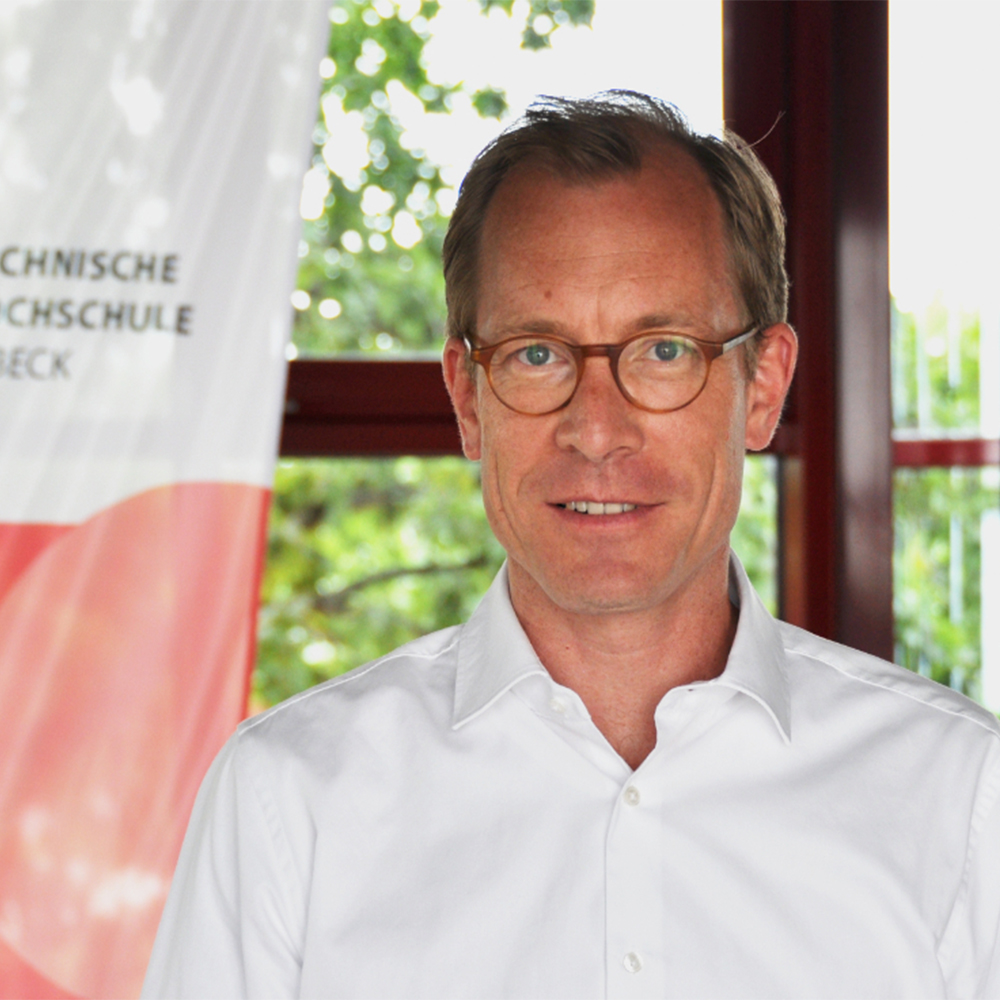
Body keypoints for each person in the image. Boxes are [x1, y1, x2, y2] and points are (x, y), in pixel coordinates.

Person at [143, 92, 1000, 999]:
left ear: (762, 386)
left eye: (664, 351)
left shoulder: (958, 795)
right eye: (536, 354)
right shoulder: (286, 801)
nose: (596, 431)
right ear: (467, 399)